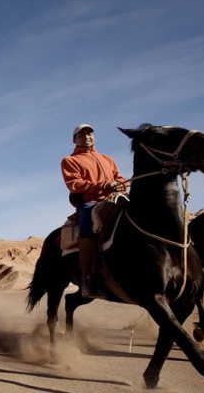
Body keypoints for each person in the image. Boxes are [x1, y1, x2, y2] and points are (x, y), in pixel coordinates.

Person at [61, 124, 126, 299]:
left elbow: (119, 176)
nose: (87, 137)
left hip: (114, 198)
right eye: (81, 135)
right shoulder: (70, 160)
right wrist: (103, 185)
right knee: (88, 226)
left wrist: (121, 183)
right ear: (75, 139)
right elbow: (74, 184)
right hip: (90, 202)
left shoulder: (107, 158)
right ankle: (87, 278)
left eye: (90, 133)